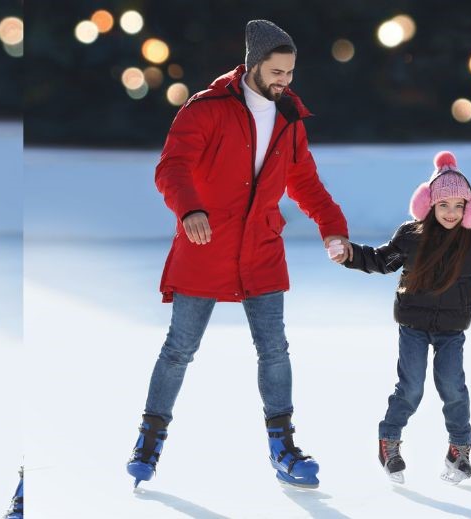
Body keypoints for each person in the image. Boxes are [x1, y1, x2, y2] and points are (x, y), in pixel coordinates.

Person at [127, 19, 351, 490]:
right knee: (178, 349)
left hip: (262, 250)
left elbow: (304, 182)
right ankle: (149, 438)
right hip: (206, 246)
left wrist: (333, 229)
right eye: (276, 72)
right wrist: (189, 209)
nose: (284, 82)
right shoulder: (206, 109)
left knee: (275, 350)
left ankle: (283, 446)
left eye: (290, 73)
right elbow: (173, 167)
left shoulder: (288, 117)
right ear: (253, 65)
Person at [337, 151, 471, 485]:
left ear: (469, 209)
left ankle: (459, 450)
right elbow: (380, 260)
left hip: (451, 330)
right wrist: (349, 255)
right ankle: (389, 440)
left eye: (458, 206)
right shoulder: (411, 235)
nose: (451, 212)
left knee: (453, 388)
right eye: (444, 204)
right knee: (411, 387)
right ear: (429, 204)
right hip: (414, 327)